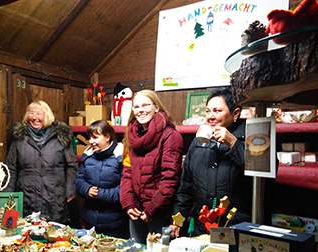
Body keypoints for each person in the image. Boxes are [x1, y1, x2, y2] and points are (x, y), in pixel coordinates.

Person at [171, 87, 252, 237]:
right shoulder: (198, 142)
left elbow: (262, 173)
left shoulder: (251, 137)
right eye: (208, 111)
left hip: (236, 227)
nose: (210, 117)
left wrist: (233, 143)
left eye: (217, 111)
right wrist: (178, 220)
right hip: (202, 227)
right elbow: (185, 187)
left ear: (235, 113)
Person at [120, 89, 183, 243]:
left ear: (156, 107)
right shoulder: (132, 135)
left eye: (145, 105)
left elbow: (169, 179)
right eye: (136, 107)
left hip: (158, 213)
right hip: (136, 211)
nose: (140, 110)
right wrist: (128, 203)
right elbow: (127, 173)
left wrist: (152, 210)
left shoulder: (170, 136)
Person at [4, 100, 79, 223]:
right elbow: (11, 167)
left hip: (54, 198)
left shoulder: (60, 136)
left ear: (47, 116)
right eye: (31, 113)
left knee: (55, 237)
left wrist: (70, 189)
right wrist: (8, 195)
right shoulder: (19, 138)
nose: (34, 117)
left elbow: (72, 165)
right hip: (27, 197)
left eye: (39, 113)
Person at [75, 120, 129, 239]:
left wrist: (101, 194)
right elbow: (79, 180)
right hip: (89, 220)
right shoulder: (88, 156)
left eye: (95, 137)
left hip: (115, 222)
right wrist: (87, 189)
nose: (90, 141)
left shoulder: (120, 158)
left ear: (107, 137)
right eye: (89, 138)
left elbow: (125, 187)